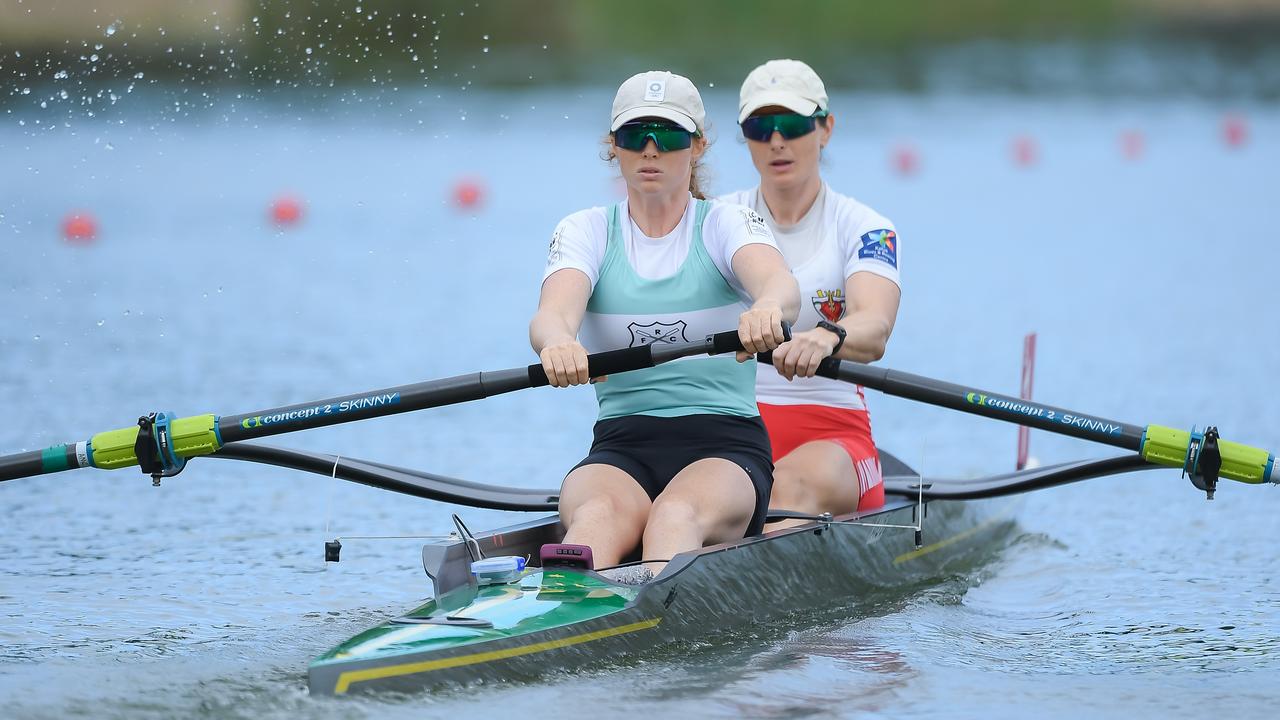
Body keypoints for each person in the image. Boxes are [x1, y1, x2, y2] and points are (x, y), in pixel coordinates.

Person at [531, 70, 799, 579]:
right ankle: (560, 610)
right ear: (615, 147)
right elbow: (552, 314)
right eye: (635, 136)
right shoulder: (585, 230)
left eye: (669, 135)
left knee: (674, 517)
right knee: (594, 519)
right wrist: (559, 343)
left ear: (697, 146)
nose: (650, 150)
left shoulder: (726, 223)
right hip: (621, 447)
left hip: (725, 446)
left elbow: (779, 286)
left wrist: (768, 311)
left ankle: (650, 633)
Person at [720, 59, 901, 528]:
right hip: (728, 431)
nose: (777, 140)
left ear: (826, 129)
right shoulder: (716, 221)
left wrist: (826, 337)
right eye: (761, 127)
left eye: (793, 125)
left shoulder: (867, 229)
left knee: (784, 491)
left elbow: (875, 326)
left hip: (835, 441)